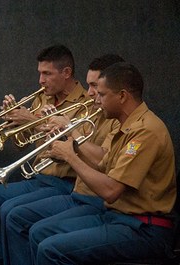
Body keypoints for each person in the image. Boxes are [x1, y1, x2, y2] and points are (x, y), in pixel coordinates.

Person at [28, 62, 176, 264]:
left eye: (102, 94)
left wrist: (70, 156)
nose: (95, 98)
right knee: (39, 232)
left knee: (50, 248)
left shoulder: (146, 131)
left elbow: (111, 191)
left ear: (122, 96)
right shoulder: (125, 125)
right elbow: (101, 164)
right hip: (117, 217)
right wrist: (70, 147)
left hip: (144, 228)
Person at [0, 44, 90, 265]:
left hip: (64, 182)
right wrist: (14, 122)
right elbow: (22, 146)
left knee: (10, 211)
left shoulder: (86, 104)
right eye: (39, 73)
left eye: (47, 73)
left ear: (66, 73)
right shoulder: (42, 99)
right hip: (38, 179)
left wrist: (32, 122)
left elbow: (74, 147)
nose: (40, 80)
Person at [3, 54, 124, 265]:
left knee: (35, 231)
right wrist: (52, 141)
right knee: (13, 215)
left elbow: (104, 162)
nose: (90, 93)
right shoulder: (93, 112)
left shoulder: (118, 121)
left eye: (96, 87)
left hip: (89, 196)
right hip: (76, 190)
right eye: (90, 86)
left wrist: (68, 134)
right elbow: (36, 144)